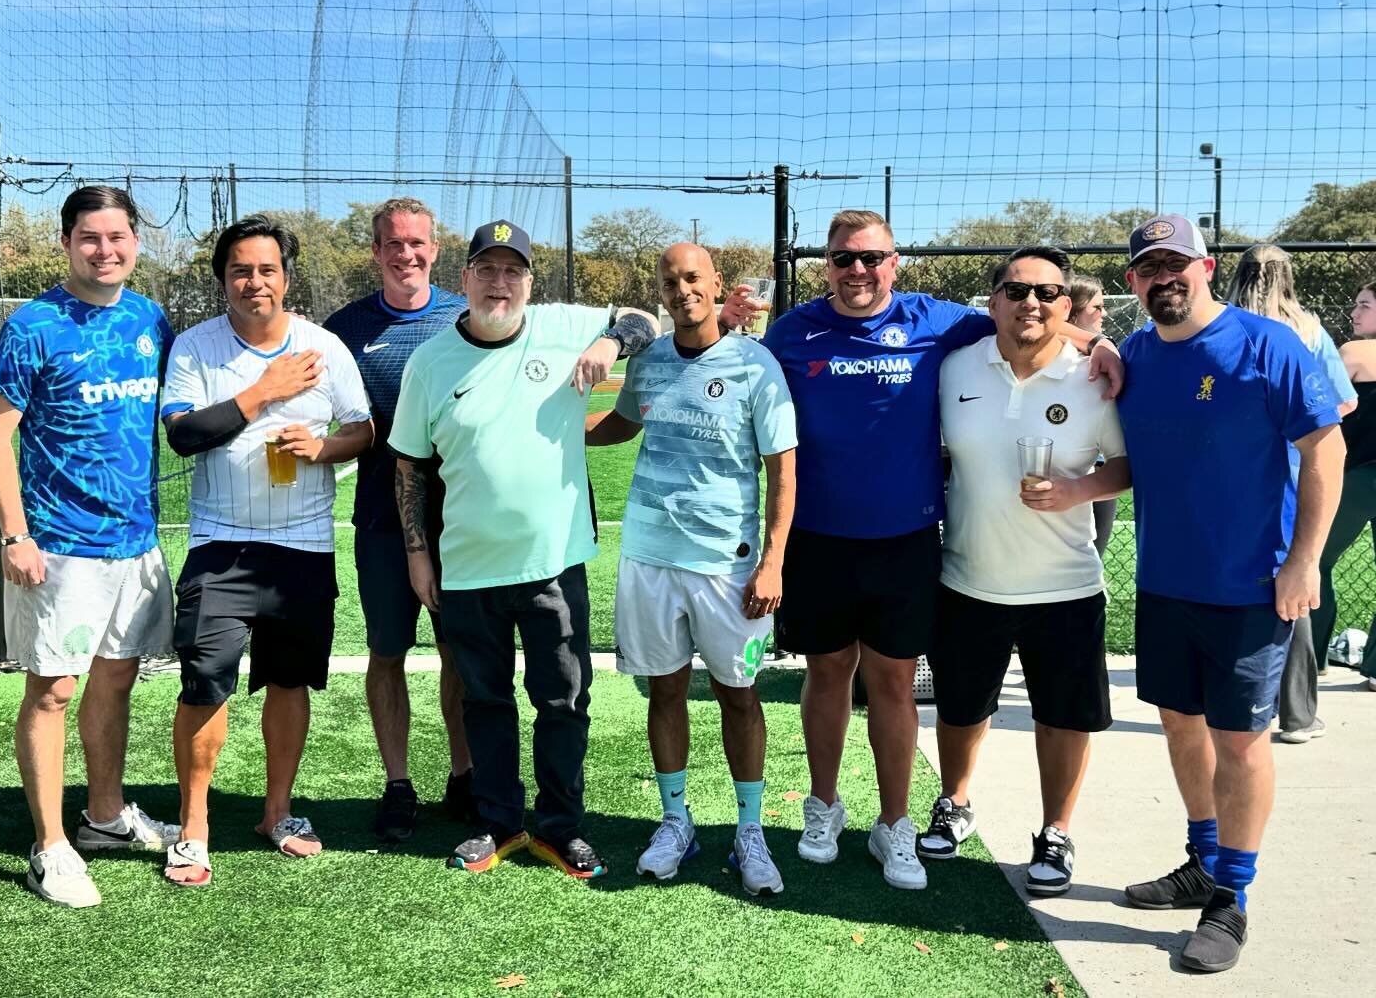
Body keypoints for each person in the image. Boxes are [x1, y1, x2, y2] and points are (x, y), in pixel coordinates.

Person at [747, 209, 1120, 892]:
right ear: (825, 265)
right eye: (842, 259)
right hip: (819, 541)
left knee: (892, 683)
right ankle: (824, 806)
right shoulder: (793, 332)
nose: (857, 271)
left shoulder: (939, 321)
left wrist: (1097, 341)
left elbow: (1028, 316)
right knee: (827, 675)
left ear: (896, 262)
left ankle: (894, 824)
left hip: (907, 541)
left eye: (871, 258)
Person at [388, 220, 657, 879]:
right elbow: (407, 465)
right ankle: (498, 821)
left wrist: (609, 340)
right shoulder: (430, 361)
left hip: (553, 563)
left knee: (563, 701)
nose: (499, 282)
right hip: (469, 567)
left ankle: (562, 826)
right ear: (466, 278)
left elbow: (644, 318)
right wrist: (418, 554)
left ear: (530, 283)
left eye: (513, 271)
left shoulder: (564, 326)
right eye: (488, 269)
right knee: (484, 700)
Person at [1116, 214, 1343, 973]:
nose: (1165, 276)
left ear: (1207, 266)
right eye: (1150, 266)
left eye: (1177, 261)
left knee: (1240, 743)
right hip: (1164, 585)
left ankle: (1232, 896)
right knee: (1180, 726)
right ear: (1133, 283)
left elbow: (1326, 450)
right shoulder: (1135, 355)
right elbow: (1137, 458)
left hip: (1251, 586)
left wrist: (1304, 559)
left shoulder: (1267, 344)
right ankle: (1202, 861)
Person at [0, 185, 179, 908]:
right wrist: (15, 532)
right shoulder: (33, 325)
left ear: (135, 241)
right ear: (66, 243)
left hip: (136, 544)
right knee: (53, 689)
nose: (106, 249)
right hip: (59, 546)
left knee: (116, 680)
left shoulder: (150, 317)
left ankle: (103, 816)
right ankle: (50, 845)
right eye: (90, 237)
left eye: (118, 236)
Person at [160, 214, 374, 887]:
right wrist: (263, 393)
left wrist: (325, 447)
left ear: (286, 275)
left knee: (290, 682)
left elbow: (363, 428)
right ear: (223, 278)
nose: (254, 281)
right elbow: (185, 435)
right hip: (220, 544)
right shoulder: (196, 347)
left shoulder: (323, 347)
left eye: (266, 269)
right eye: (240, 270)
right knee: (205, 681)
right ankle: (194, 825)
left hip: (303, 546)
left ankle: (276, 811)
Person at [585, 243, 797, 895]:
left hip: (727, 567)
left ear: (715, 285)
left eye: (692, 278)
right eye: (670, 280)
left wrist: (772, 561)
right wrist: (557, 428)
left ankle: (751, 829)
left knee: (739, 694)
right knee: (666, 691)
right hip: (650, 557)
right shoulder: (647, 362)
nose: (681, 290)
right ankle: (676, 819)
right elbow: (624, 424)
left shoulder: (756, 365)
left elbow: (783, 469)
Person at [922, 244, 1129, 897]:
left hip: (1064, 583)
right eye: (1016, 291)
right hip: (967, 577)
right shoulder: (954, 366)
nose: (1030, 303)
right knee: (959, 707)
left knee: (1063, 716)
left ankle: (1056, 830)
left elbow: (1128, 465)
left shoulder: (1095, 378)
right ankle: (954, 803)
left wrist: (1074, 492)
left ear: (1066, 304)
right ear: (993, 302)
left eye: (1046, 293)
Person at [324, 197, 472, 840]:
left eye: (417, 243)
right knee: (387, 652)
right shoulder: (343, 328)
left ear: (435, 250)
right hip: (383, 520)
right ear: (376, 251)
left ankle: (464, 776)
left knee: (457, 652)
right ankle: (397, 784)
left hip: (464, 518)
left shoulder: (466, 317)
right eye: (392, 243)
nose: (406, 254)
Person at [1225, 245, 1358, 745]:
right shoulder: (1305, 328)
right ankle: (1298, 714)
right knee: (1293, 580)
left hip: (1238, 478)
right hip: (1301, 474)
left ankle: (1237, 701)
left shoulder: (1226, 325)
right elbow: (1343, 401)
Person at [1310, 282, 1376, 693]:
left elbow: (1317, 407)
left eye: (1364, 305)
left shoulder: (1354, 351)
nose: (1354, 312)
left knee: (1313, 560)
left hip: (1355, 476)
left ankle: (1311, 659)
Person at [1068, 273, 1118, 558]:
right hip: (1062, 473)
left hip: (1101, 473)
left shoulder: (1108, 359)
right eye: (1096, 307)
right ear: (1071, 311)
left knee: (1092, 557)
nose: (1104, 313)